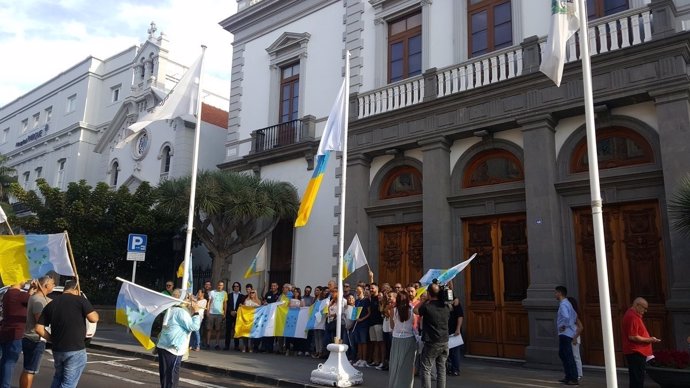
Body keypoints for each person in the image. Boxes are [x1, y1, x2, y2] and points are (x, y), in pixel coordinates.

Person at [35, 280, 99, 388]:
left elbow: (38, 328)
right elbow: (94, 318)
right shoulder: (80, 300)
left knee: (58, 378)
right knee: (68, 383)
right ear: (76, 289)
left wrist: (52, 339)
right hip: (75, 349)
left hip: (58, 349)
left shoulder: (51, 303)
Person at [156, 289, 202, 388]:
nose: (191, 300)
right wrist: (196, 312)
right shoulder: (180, 312)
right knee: (171, 379)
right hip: (173, 348)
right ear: (184, 299)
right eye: (189, 297)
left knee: (165, 378)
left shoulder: (171, 309)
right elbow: (193, 327)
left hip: (164, 345)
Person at [414, 283, 451, 388]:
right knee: (442, 369)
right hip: (444, 341)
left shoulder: (427, 306)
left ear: (429, 293)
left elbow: (415, 310)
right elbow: (451, 303)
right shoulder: (446, 306)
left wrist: (424, 300)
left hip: (432, 341)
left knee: (426, 368)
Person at [21, 275, 55, 388]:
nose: (54, 285)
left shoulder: (39, 298)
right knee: (30, 370)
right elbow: (40, 321)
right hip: (35, 339)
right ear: (46, 285)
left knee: (28, 369)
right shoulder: (38, 300)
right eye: (52, 283)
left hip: (31, 338)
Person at [0, 281, 35, 388]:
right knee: (10, 362)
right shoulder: (20, 295)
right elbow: (32, 300)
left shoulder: (7, 294)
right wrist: (34, 289)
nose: (25, 282)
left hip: (5, 331)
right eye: (24, 279)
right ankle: (5, 385)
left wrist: (30, 292)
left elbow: (23, 302)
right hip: (16, 333)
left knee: (5, 360)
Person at [622, 297, 660, 388]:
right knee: (637, 379)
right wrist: (650, 340)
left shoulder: (633, 315)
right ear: (637, 305)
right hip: (635, 351)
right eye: (644, 308)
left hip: (637, 351)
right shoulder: (632, 316)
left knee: (638, 377)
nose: (645, 311)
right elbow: (633, 336)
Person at [388, 290, 417, 388]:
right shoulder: (411, 309)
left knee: (396, 364)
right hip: (409, 338)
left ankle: (395, 385)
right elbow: (413, 323)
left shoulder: (394, 310)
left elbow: (392, 326)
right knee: (408, 365)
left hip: (397, 338)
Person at [555, 286, 579, 386]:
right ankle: (569, 376)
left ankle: (573, 377)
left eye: (556, 292)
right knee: (563, 354)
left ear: (560, 293)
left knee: (567, 355)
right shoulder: (568, 303)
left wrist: (564, 326)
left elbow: (566, 316)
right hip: (568, 333)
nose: (555, 294)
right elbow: (574, 315)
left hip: (565, 333)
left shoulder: (563, 305)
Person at [352, 285, 371, 367]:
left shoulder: (366, 300)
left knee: (363, 342)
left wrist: (362, 319)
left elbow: (369, 312)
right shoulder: (356, 301)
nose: (357, 291)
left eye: (359, 290)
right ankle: (360, 359)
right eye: (356, 290)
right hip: (357, 324)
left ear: (363, 291)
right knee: (359, 342)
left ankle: (364, 359)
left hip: (363, 324)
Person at [447, 282, 464, 377]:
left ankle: (455, 369)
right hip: (444, 330)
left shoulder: (455, 300)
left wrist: (458, 329)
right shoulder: (441, 300)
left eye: (450, 286)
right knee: (447, 352)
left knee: (455, 351)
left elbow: (460, 316)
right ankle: (449, 368)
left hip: (454, 330)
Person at [367, 283, 385, 368]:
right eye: (370, 288)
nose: (371, 290)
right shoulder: (373, 298)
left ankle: (382, 361)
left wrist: (372, 277)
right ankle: (376, 360)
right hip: (371, 324)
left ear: (377, 289)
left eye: (373, 288)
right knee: (374, 343)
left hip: (378, 324)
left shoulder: (379, 298)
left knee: (380, 343)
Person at [206, 281, 227, 350]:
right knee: (209, 329)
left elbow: (225, 303)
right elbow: (209, 302)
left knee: (218, 330)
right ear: (217, 285)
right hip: (211, 313)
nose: (220, 286)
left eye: (221, 285)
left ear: (223, 286)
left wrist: (225, 313)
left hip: (220, 313)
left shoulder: (224, 293)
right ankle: (208, 343)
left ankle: (217, 344)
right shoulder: (212, 292)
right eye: (219, 285)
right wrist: (208, 311)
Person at [224, 282, 245, 351]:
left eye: (237, 286)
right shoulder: (229, 295)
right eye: (235, 286)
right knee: (228, 331)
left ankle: (236, 346)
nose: (236, 287)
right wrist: (231, 311)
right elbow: (227, 304)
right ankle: (227, 345)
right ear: (233, 287)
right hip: (229, 314)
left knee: (237, 331)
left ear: (239, 287)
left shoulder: (242, 296)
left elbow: (242, 305)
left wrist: (236, 311)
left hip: (237, 315)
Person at [568, 296, 584, 382]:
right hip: (571, 337)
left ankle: (579, 374)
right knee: (573, 356)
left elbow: (581, 327)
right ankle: (574, 373)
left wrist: (575, 337)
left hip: (574, 338)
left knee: (576, 356)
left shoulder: (574, 315)